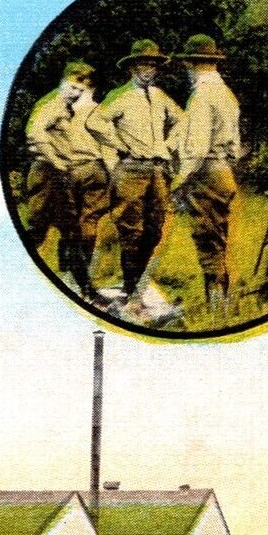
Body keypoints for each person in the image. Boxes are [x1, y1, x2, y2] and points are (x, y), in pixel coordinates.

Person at [85, 39, 185, 324]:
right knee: (131, 232)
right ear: (132, 67)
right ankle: (131, 293)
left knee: (154, 230)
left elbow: (182, 121)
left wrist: (169, 144)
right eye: (143, 64)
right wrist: (120, 145)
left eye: (153, 65)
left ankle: (136, 289)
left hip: (158, 171)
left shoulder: (161, 96)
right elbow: (95, 123)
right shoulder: (120, 96)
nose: (149, 69)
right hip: (130, 170)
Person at [24, 61, 113, 300]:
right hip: (47, 174)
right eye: (71, 87)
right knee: (37, 230)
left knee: (70, 232)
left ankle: (85, 290)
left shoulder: (64, 106)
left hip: (57, 175)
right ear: (62, 82)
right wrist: (56, 160)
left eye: (79, 90)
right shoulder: (52, 105)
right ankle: (85, 290)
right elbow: (35, 132)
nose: (74, 93)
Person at [169, 35, 243, 317]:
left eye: (187, 64)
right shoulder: (226, 94)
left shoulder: (201, 96)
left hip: (206, 175)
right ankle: (221, 309)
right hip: (224, 173)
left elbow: (197, 150)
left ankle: (216, 315)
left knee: (208, 245)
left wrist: (179, 182)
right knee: (219, 242)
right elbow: (235, 146)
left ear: (191, 64)